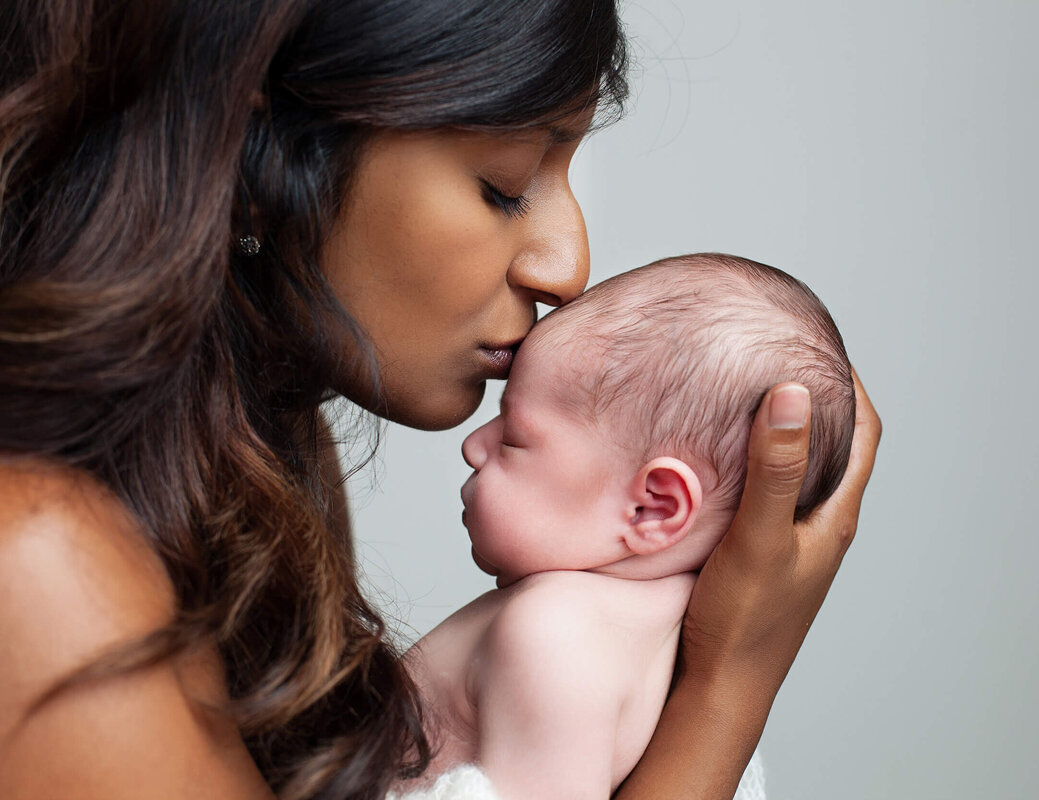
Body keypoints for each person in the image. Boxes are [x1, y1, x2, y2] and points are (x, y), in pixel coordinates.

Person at [0, 2, 881, 800]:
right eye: (502, 185)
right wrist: (727, 691)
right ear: (252, 147)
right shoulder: (36, 569)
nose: (567, 266)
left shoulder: (254, 475)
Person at [398, 254, 856, 800]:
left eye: (514, 436)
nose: (474, 446)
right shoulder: (670, 638)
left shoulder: (554, 633)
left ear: (654, 508)